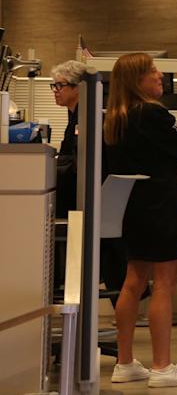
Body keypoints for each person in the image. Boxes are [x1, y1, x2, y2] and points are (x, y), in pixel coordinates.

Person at [104, 53, 177, 388]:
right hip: (160, 205)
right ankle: (162, 366)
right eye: (152, 71)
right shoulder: (151, 113)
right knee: (164, 283)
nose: (159, 75)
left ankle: (125, 362)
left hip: (132, 206)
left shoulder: (116, 118)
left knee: (133, 281)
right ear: (137, 80)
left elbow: (161, 149)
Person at [50, 60, 128, 306]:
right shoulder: (77, 117)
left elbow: (76, 165)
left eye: (60, 85)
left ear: (78, 88)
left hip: (90, 203)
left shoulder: (88, 118)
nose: (55, 91)